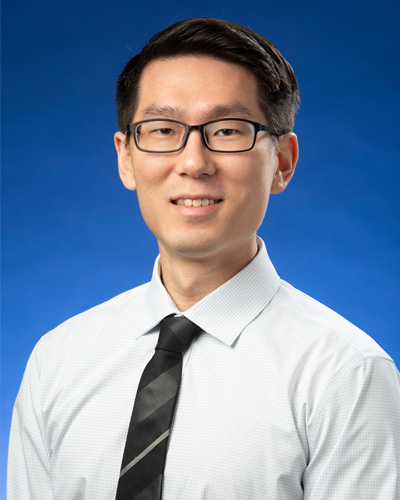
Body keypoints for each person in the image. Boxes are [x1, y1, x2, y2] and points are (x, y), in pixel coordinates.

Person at [8, 17, 400, 500]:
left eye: (228, 130)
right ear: (126, 158)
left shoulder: (347, 375)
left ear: (282, 162)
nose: (193, 162)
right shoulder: (59, 360)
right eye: (162, 129)